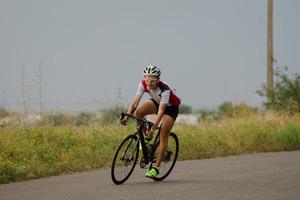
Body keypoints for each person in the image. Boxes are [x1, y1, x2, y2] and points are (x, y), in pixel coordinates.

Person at [119, 65, 181, 178]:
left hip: (170, 108)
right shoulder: (143, 84)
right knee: (138, 112)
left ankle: (156, 167)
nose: (149, 84)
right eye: (147, 80)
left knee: (163, 134)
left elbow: (162, 111)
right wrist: (127, 117)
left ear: (158, 80)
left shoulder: (165, 89)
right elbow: (134, 103)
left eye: (152, 81)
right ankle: (145, 138)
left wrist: (153, 128)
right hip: (157, 102)